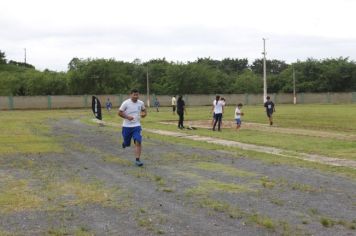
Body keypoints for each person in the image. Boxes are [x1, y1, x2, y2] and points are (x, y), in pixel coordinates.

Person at [118, 89, 147, 166]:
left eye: (137, 95)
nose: (136, 96)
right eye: (134, 95)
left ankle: (137, 160)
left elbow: (144, 110)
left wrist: (144, 114)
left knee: (138, 141)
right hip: (126, 126)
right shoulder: (126, 103)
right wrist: (127, 117)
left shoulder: (141, 103)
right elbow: (119, 113)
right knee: (127, 144)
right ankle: (125, 143)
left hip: (137, 126)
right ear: (130, 95)